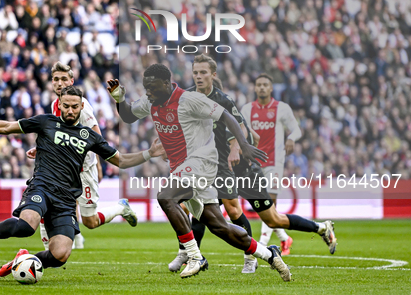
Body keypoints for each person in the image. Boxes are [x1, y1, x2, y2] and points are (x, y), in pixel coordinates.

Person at [0, 86, 164, 273]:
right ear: (59, 105)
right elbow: (6, 127)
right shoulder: (45, 122)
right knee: (26, 227)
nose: (70, 110)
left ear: (82, 107)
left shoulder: (90, 137)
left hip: (66, 200)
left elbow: (121, 161)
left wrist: (149, 154)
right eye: (66, 106)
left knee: (59, 255)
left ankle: (21, 261)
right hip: (42, 187)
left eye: (75, 107)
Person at [107, 64, 292, 281]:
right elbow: (128, 117)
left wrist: (243, 144)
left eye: (153, 88)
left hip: (202, 161)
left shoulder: (189, 100)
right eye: (146, 87)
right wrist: (119, 99)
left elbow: (226, 116)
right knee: (219, 226)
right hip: (181, 167)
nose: (148, 92)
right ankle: (269, 254)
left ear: (167, 84)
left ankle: (194, 257)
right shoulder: (151, 101)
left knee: (166, 197)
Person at [169, 56, 337, 275]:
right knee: (202, 207)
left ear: (213, 75)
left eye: (203, 73)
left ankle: (320, 228)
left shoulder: (224, 101)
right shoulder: (187, 98)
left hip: (243, 169)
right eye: (196, 72)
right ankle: (193, 255)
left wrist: (237, 147)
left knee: (271, 218)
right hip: (215, 168)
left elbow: (246, 131)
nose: (199, 76)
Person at [28, 62, 138, 252]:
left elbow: (96, 138)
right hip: (63, 169)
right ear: (51, 83)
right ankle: (50, 250)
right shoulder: (57, 104)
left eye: (64, 79)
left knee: (91, 221)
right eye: (56, 79)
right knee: (50, 203)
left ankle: (121, 208)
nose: (60, 83)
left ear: (71, 81)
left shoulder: (82, 106)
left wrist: (97, 164)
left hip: (83, 169)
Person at [241, 74, 337, 255]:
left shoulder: (281, 108)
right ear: (255, 88)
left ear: (271, 89)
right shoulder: (247, 109)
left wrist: (291, 138)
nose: (262, 88)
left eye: (265, 85)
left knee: (269, 204)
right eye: (259, 85)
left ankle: (262, 245)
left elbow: (296, 129)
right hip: (253, 165)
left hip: (273, 162)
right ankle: (285, 239)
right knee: (267, 211)